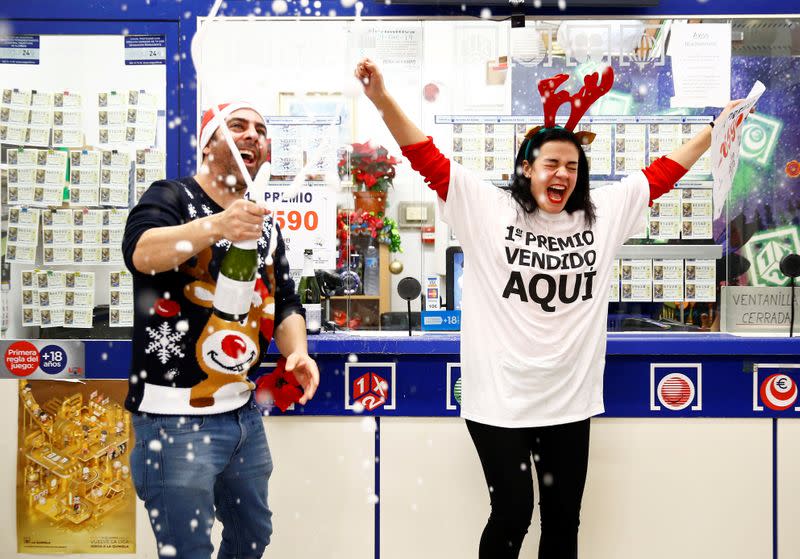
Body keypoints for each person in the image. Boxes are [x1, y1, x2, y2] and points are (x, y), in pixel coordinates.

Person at [355, 58, 748, 558]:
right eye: (551, 163)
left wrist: (716, 129)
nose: (563, 173)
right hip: (499, 402)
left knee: (563, 522)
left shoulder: (600, 217)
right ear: (526, 168)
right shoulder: (487, 209)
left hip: (569, 402)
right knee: (513, 513)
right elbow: (423, 155)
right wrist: (383, 100)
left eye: (572, 166)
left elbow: (662, 173)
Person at [122, 101, 320, 559]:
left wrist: (298, 352)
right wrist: (217, 225)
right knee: (187, 550)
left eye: (261, 129)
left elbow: (285, 300)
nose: (252, 135)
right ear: (209, 144)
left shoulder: (264, 224)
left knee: (253, 537)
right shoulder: (170, 196)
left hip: (242, 413)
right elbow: (141, 253)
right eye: (237, 127)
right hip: (172, 417)